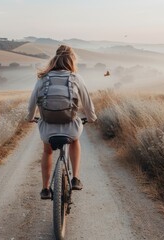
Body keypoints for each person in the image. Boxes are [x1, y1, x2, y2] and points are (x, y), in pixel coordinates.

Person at [26, 45, 97, 199]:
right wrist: (91, 118)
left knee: (47, 151)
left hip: (47, 127)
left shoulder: (43, 78)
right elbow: (87, 102)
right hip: (70, 126)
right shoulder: (76, 77)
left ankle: (45, 189)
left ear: (54, 59)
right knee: (75, 141)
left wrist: (30, 117)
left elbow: (32, 103)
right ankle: (75, 179)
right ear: (72, 60)